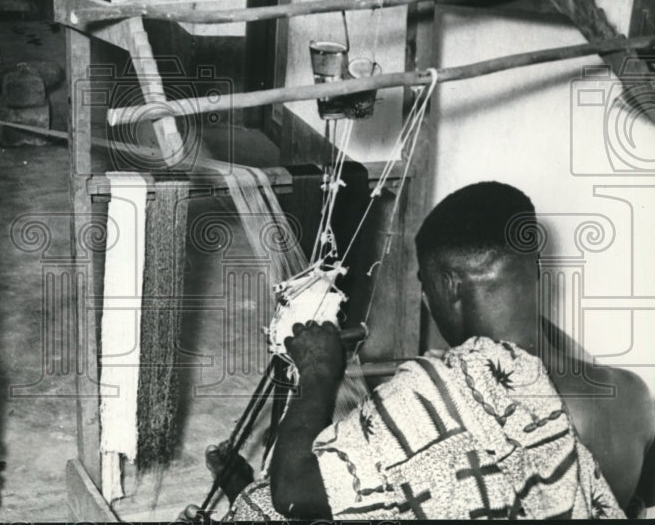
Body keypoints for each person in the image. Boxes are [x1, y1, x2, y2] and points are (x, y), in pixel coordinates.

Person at [218, 181, 655, 520]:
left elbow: (293, 492)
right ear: (536, 268)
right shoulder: (631, 395)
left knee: (262, 506)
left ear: (447, 286)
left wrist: (317, 369)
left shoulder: (431, 397)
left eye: (425, 288)